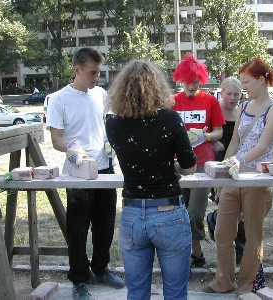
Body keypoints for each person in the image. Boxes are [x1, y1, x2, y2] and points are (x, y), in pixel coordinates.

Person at [105, 59, 197, 300]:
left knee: (136, 292)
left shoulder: (113, 124)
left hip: (132, 215)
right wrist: (172, 166)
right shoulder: (170, 119)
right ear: (157, 88)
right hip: (169, 213)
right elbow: (189, 167)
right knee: (176, 292)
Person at [46, 47, 124, 300]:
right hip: (77, 173)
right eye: (92, 73)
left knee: (105, 225)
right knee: (78, 229)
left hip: (104, 169)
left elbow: (107, 125)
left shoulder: (100, 94)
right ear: (77, 70)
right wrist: (77, 154)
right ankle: (79, 278)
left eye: (98, 73)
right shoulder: (59, 99)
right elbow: (56, 139)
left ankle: (101, 269)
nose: (96, 78)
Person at [203, 58, 273, 295]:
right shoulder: (244, 107)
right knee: (222, 231)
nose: (244, 87)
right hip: (234, 178)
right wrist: (225, 169)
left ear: (261, 80)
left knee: (252, 235)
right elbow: (235, 141)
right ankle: (223, 281)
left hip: (257, 180)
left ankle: (247, 285)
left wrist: (237, 161)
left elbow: (261, 146)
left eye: (247, 82)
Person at [171, 53, 225, 268]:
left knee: (195, 213)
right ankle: (185, 252)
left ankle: (197, 251)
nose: (191, 86)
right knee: (179, 211)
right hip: (178, 166)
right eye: (187, 81)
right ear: (180, 80)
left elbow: (219, 131)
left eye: (195, 82)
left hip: (203, 164)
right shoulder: (173, 102)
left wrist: (205, 136)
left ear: (200, 80)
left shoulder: (210, 101)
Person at [207, 76, 246, 265]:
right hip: (218, 163)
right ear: (221, 93)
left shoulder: (241, 112)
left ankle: (240, 250)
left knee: (240, 207)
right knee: (225, 204)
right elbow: (205, 130)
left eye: (236, 94)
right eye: (229, 94)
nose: (232, 98)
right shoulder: (215, 109)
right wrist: (213, 140)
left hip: (237, 163)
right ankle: (214, 222)